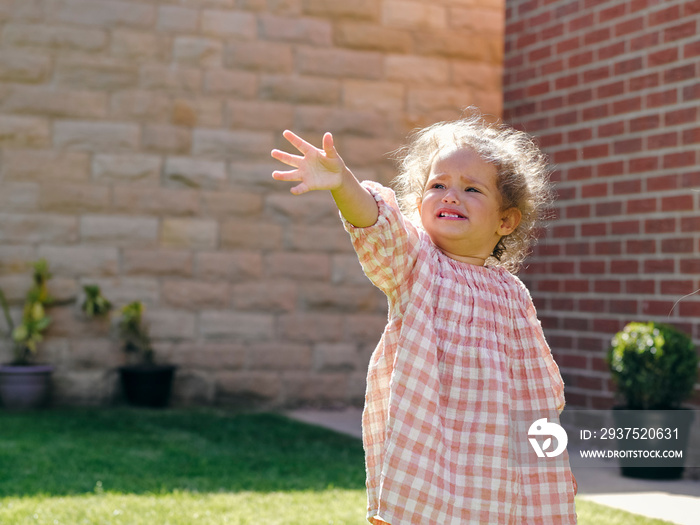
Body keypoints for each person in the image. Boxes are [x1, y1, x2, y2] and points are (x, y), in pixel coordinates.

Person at [271, 111, 577, 524]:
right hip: (431, 441)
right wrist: (344, 184)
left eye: (472, 188)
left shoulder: (512, 294)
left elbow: (539, 384)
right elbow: (378, 227)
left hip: (496, 452)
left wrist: (548, 458)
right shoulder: (418, 265)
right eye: (438, 185)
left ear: (505, 220)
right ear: (419, 204)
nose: (451, 195)